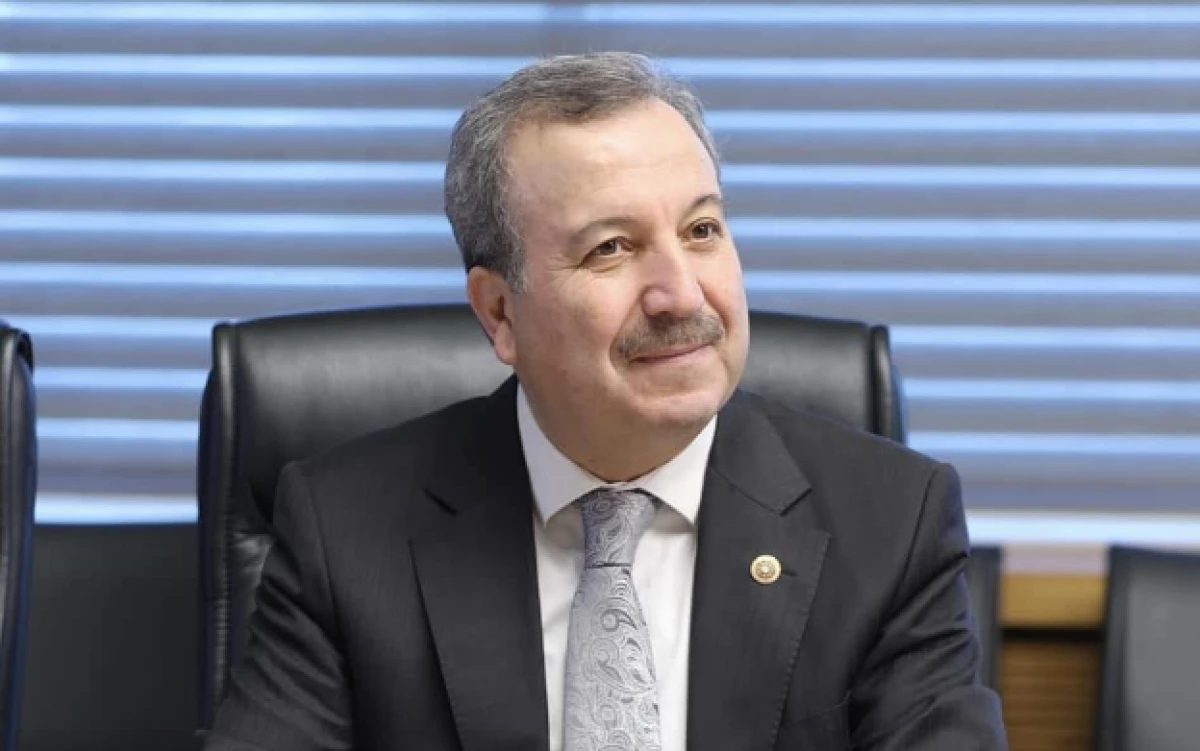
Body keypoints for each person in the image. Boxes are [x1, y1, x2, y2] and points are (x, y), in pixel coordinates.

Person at [203, 52, 1007, 750]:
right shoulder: (346, 531)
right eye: (611, 248)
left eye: (701, 230)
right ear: (500, 312)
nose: (680, 293)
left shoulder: (889, 522)